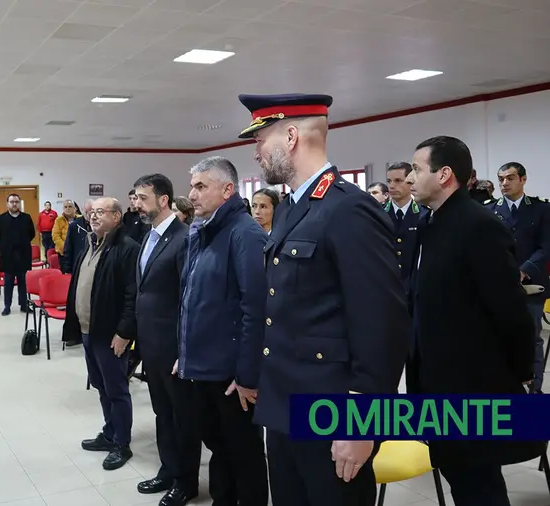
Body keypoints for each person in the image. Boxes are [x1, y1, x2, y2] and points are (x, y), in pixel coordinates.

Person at [239, 93, 409, 506]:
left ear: (292, 136)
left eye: (262, 140)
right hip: (284, 405)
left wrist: (361, 423)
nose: (257, 151)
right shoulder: (289, 209)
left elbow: (381, 324)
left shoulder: (349, 209)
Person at [409, 138, 543, 505]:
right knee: (458, 474)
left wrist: (521, 371)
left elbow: (509, 309)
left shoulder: (478, 225)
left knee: (478, 482)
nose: (411, 177)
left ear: (445, 174)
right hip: (437, 380)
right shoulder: (429, 224)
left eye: (418, 169)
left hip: (472, 383)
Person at [179, 156, 269, 506]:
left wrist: (248, 375)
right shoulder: (201, 231)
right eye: (193, 186)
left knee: (243, 455)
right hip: (204, 367)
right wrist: (183, 354)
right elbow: (190, 300)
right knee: (219, 450)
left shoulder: (244, 233)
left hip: (233, 375)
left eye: (201, 186)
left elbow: (255, 308)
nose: (193, 194)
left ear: (227, 189)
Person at [132, 175, 195, 506]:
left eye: (143, 198)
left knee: (181, 416)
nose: (137, 204)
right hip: (151, 344)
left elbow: (188, 298)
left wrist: (183, 349)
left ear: (164, 200)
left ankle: (186, 481)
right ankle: (168, 469)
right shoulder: (149, 237)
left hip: (172, 347)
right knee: (162, 412)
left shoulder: (183, 239)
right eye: (136, 197)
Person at [63, 197, 140, 471]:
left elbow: (133, 295)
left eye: (101, 212)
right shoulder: (90, 244)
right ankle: (109, 433)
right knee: (100, 385)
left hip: (110, 335)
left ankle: (122, 443)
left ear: (117, 217)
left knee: (116, 389)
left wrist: (124, 333)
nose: (93, 217)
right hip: (88, 331)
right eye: (92, 213)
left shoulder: (127, 248)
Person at [484, 162, 550, 393]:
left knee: (532, 338)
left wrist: (524, 269)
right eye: (501, 179)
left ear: (523, 179)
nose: (504, 183)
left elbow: (546, 246)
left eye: (510, 178)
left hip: (532, 284)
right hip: (500, 285)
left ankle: (535, 390)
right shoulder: (489, 210)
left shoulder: (541, 209)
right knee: (501, 337)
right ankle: (507, 387)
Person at [0, 193, 36, 316]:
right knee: (8, 283)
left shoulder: (26, 218)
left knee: (23, 282)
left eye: (16, 201)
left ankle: (23, 305)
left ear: (19, 203)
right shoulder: (0, 219)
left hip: (23, 255)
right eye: (12, 202)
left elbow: (32, 234)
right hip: (7, 256)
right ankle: (7, 306)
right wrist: (5, 245)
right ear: (7, 204)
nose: (14, 204)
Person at [383, 162, 428, 284]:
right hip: (386, 284)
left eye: (398, 181)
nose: (391, 186)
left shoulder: (423, 214)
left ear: (411, 182)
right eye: (389, 181)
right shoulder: (378, 214)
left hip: (414, 283)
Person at [60, 199, 93, 276]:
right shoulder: (74, 226)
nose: (89, 214)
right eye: (86, 212)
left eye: (91, 211)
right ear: (82, 210)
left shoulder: (100, 225)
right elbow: (68, 248)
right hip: (78, 264)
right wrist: (67, 269)